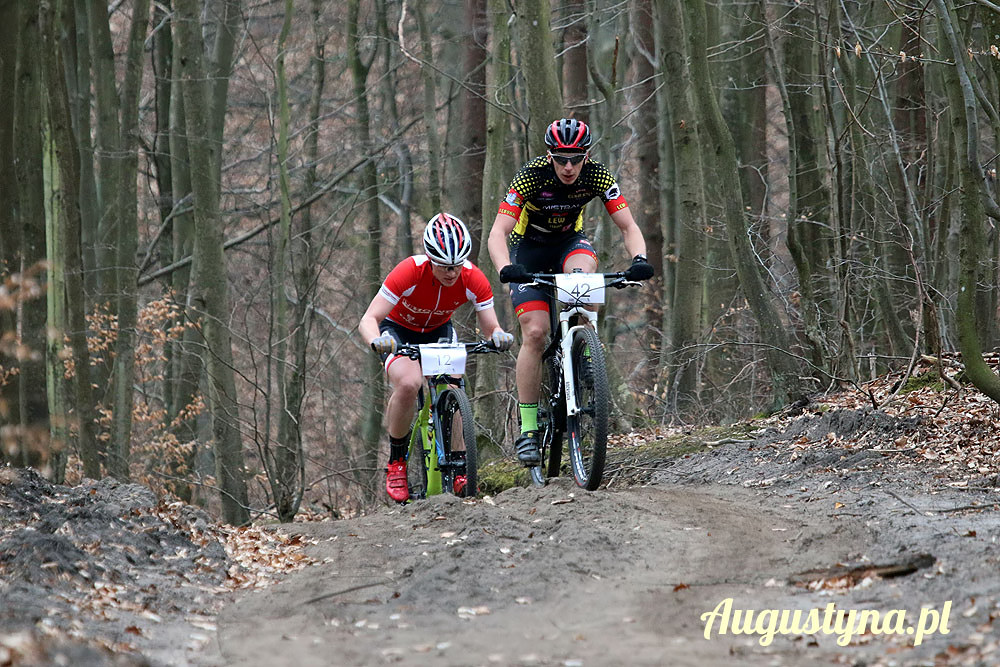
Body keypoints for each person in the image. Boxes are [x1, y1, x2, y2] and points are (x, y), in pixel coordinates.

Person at [486, 118, 654, 466]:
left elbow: (628, 225)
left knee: (583, 280)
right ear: (549, 156)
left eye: (575, 158)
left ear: (586, 155)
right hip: (526, 248)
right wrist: (506, 267)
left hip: (568, 243)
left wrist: (639, 259)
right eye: (561, 158)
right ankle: (528, 429)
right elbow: (497, 233)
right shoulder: (530, 176)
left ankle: (585, 354)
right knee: (534, 332)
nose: (568, 166)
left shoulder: (598, 175)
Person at [359, 213, 515, 502]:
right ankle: (396, 462)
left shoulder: (473, 278)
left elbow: (491, 325)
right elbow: (369, 318)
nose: (451, 273)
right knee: (408, 383)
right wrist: (377, 340)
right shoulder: (409, 272)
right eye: (444, 266)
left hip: (438, 332)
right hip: (398, 333)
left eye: (456, 265)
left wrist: (498, 335)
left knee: (453, 386)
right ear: (430, 258)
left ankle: (459, 468)